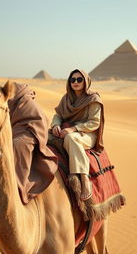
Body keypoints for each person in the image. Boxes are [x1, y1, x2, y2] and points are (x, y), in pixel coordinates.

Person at [0, 81, 58, 244]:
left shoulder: (29, 106)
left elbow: (39, 125)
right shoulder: (12, 107)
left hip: (29, 139)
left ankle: (19, 192)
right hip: (17, 137)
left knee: (17, 148)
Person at [51, 69, 104, 201]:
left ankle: (84, 177)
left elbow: (94, 122)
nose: (75, 82)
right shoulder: (67, 98)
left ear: (86, 81)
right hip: (66, 129)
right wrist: (56, 125)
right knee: (42, 137)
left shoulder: (93, 99)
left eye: (79, 79)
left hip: (86, 133)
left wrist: (74, 129)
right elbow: (58, 115)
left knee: (71, 138)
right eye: (72, 79)